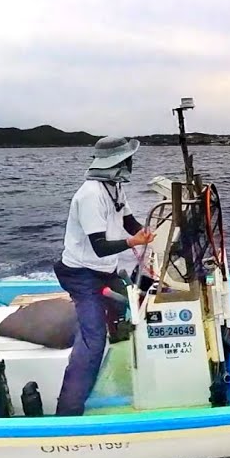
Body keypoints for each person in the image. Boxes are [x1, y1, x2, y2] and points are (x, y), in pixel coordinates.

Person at [53, 136, 156, 416]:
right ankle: (67, 413)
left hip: (104, 270)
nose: (131, 164)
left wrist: (148, 235)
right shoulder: (90, 195)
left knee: (137, 299)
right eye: (127, 159)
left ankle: (119, 334)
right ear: (116, 163)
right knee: (93, 339)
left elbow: (127, 220)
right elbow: (99, 247)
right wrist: (134, 243)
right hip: (81, 274)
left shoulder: (113, 187)